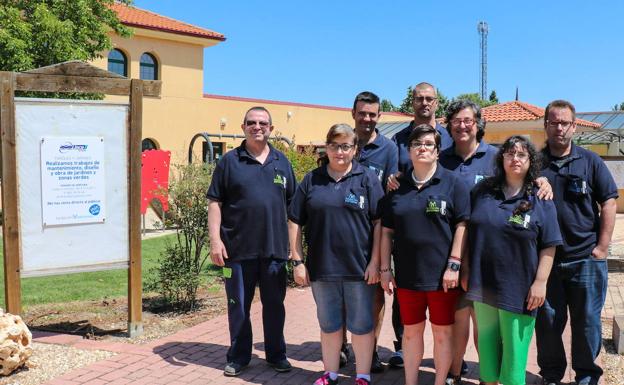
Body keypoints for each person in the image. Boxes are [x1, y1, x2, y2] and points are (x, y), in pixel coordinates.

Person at [289, 123, 384, 385]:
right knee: (329, 324)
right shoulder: (312, 179)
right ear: (326, 147)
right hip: (322, 268)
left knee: (362, 325)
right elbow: (295, 219)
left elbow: (379, 223)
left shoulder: (367, 179)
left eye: (345, 146)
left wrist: (376, 261)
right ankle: (330, 374)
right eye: (334, 146)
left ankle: (362, 375)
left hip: (359, 268)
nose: (339, 152)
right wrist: (297, 260)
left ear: (354, 149)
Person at [206, 106, 296, 377]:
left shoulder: (282, 162)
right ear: (243, 126)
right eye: (252, 123)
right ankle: (239, 356)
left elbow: (293, 208)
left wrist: (293, 248)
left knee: (274, 307)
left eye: (263, 123)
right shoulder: (230, 161)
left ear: (271, 127)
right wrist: (215, 241)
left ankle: (276, 354)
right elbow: (214, 202)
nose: (258, 127)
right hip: (237, 250)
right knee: (238, 307)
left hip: (274, 250)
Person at [466, 135, 562, 385]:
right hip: (483, 285)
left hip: (519, 290)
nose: (515, 159)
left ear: (531, 161)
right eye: (510, 153)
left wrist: (540, 281)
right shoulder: (483, 191)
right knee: (487, 357)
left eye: (521, 154)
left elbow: (549, 245)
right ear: (502, 158)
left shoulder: (541, 198)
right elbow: (467, 231)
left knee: (513, 360)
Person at [535, 100, 618, 385]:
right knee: (547, 324)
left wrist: (602, 248)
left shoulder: (590, 161)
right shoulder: (535, 164)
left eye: (565, 123)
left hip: (585, 259)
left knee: (587, 324)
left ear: (574, 126)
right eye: (554, 122)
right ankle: (552, 375)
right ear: (545, 125)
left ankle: (586, 374)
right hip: (546, 262)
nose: (559, 128)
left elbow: (608, 201)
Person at [380, 124, 469, 385]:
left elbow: (463, 225)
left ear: (438, 151)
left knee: (442, 333)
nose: (422, 148)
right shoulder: (398, 186)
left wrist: (454, 265)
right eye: (417, 144)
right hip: (407, 276)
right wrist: (385, 268)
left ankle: (440, 381)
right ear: (408, 150)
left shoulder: (453, 183)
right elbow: (386, 231)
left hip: (443, 278)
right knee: (410, 333)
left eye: (429, 144)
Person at [439, 99, 498, 385]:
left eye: (468, 121)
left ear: (478, 124)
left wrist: (541, 182)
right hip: (449, 251)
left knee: (483, 320)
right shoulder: (441, 159)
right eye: (456, 121)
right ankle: (454, 372)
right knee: (456, 317)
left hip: (486, 252)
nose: (462, 126)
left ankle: (488, 374)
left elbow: (522, 179)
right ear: (449, 125)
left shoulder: (495, 158)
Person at [345, 91, 402, 372]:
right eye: (362, 113)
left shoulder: (389, 149)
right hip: (345, 233)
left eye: (372, 114)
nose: (366, 119)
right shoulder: (344, 141)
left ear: (379, 116)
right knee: (344, 291)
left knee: (376, 295)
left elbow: (393, 189)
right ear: (353, 113)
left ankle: (372, 352)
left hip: (376, 232)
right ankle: (343, 347)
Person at [391, 82, 453, 179]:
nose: (424, 103)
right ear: (412, 103)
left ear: (436, 103)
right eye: (419, 99)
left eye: (429, 99)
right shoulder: (398, 140)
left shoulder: (450, 138)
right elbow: (392, 176)